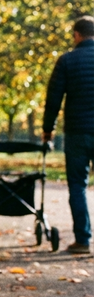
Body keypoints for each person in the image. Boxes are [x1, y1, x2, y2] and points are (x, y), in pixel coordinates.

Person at [42, 15, 94, 255]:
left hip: (77, 133)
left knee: (77, 185)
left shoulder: (67, 61)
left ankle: (83, 240)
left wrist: (47, 129)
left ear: (76, 35)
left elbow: (53, 98)